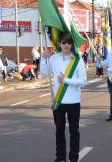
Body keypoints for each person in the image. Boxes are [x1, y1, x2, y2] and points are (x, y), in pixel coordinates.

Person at [40, 33, 87, 162]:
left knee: (74, 131)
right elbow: (44, 74)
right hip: (58, 101)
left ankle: (73, 157)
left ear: (72, 45)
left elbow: (83, 81)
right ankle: (60, 157)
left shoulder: (77, 60)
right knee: (59, 131)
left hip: (73, 101)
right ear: (59, 44)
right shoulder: (54, 58)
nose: (66, 45)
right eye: (64, 42)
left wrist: (65, 80)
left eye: (69, 42)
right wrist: (44, 59)